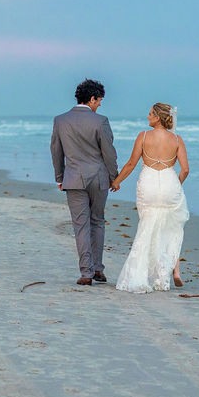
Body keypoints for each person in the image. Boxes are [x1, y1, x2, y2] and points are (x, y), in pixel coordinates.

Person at [112, 102, 190, 293]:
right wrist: (176, 184)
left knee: (147, 226)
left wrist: (117, 181)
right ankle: (173, 271)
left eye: (150, 114)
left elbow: (131, 163)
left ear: (157, 117)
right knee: (172, 227)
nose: (147, 117)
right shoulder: (177, 139)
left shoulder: (143, 136)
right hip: (170, 183)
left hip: (148, 184)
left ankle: (141, 274)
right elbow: (185, 169)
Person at [50, 79, 119, 286]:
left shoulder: (60, 120)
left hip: (73, 179)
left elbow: (56, 151)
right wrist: (115, 177)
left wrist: (59, 177)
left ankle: (86, 272)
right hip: (99, 179)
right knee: (97, 221)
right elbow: (109, 153)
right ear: (91, 99)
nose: (99, 105)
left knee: (80, 226)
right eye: (99, 101)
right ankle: (98, 268)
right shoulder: (101, 121)